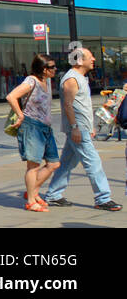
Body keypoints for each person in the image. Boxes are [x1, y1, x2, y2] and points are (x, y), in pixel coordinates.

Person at [44, 48, 121, 211]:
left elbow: (82, 106)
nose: (93, 59)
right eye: (90, 56)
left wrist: (89, 125)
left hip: (81, 128)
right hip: (77, 129)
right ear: (80, 61)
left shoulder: (80, 78)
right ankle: (103, 198)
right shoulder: (71, 79)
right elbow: (68, 105)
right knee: (93, 162)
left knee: (66, 163)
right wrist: (75, 128)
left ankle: (53, 195)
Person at [5, 53, 61, 212]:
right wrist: (20, 115)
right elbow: (11, 96)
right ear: (43, 69)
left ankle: (32, 191)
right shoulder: (32, 81)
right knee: (33, 166)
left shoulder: (46, 82)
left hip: (45, 127)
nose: (55, 69)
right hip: (32, 126)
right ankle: (31, 200)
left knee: (54, 163)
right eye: (52, 67)